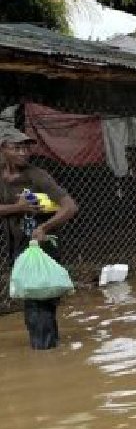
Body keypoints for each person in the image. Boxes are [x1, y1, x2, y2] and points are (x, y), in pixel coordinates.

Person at [0, 126, 78, 350]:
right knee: (33, 299)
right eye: (17, 148)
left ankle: (44, 352)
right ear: (3, 149)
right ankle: (47, 347)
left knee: (40, 300)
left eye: (26, 148)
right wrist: (19, 207)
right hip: (17, 244)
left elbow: (70, 207)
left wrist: (46, 226)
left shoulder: (37, 176)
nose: (24, 152)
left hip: (42, 245)